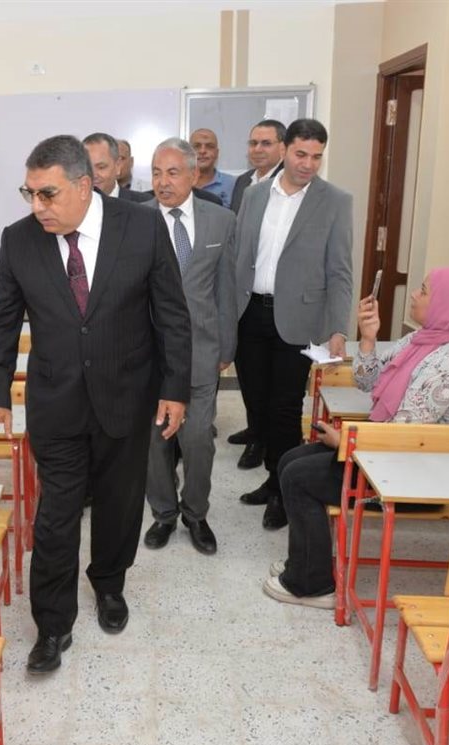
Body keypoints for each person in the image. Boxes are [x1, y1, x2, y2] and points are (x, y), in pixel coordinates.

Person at [0, 135, 192, 674]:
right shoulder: (19, 240)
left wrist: (175, 388)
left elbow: (171, 313)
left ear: (84, 185)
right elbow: (1, 321)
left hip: (127, 393)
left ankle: (109, 584)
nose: (36, 206)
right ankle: (52, 624)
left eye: (47, 194)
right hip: (57, 400)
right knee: (56, 516)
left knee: (120, 504)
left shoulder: (141, 226)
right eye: (29, 193)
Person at [262, 268, 449, 607]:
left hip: (418, 477)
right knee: (290, 460)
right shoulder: (422, 341)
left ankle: (312, 585)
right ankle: (307, 563)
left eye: (424, 290)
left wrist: (345, 442)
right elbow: (367, 381)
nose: (414, 294)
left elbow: (404, 436)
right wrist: (368, 338)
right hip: (391, 457)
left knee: (299, 477)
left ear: (448, 306)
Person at [234, 118, 353, 530]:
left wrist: (338, 328)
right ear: (284, 150)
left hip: (299, 319)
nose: (308, 164)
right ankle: (272, 477)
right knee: (256, 402)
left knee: (284, 408)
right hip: (250, 312)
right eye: (301, 154)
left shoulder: (335, 201)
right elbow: (239, 256)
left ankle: (283, 490)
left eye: (317, 157)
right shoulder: (254, 195)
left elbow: (340, 271)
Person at [141, 138, 236, 556]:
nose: (163, 182)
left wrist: (227, 347)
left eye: (173, 172)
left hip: (201, 351)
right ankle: (163, 513)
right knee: (155, 441)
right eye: (156, 173)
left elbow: (226, 290)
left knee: (198, 440)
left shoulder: (221, 222)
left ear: (194, 175)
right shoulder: (135, 220)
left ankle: (196, 513)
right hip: (149, 356)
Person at [226, 119, 288, 467]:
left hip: (275, 297)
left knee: (271, 382)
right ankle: (255, 428)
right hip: (243, 294)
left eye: (266, 143)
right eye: (253, 143)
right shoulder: (243, 183)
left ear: (282, 147)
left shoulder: (287, 186)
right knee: (248, 372)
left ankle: (263, 441)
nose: (257, 149)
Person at [84, 132, 151, 202]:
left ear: (117, 166)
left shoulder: (145, 202)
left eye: (101, 167)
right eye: (87, 167)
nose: (93, 175)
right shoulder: (75, 203)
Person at [190, 128, 234, 207]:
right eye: (197, 146)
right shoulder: (179, 183)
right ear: (188, 152)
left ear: (217, 153)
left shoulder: (233, 184)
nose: (202, 151)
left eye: (209, 146)